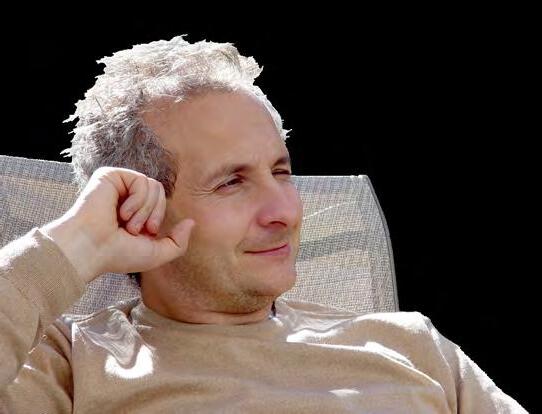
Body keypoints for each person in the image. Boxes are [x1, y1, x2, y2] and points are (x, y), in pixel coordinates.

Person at [0, 35, 526, 413]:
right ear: (138, 214)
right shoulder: (70, 366)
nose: (285, 212)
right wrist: (72, 242)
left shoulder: (412, 347)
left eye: (281, 172)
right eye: (232, 182)